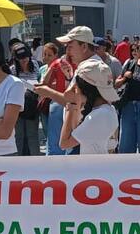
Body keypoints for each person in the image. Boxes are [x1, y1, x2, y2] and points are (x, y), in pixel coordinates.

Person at [34, 26, 101, 155]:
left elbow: (75, 101)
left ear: (84, 47)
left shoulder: (89, 68)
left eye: (70, 46)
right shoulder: (88, 66)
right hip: (81, 132)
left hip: (82, 136)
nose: (67, 51)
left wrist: (47, 92)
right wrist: (70, 77)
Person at [60, 58, 120, 155]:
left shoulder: (99, 115)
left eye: (76, 86)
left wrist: (72, 108)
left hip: (92, 168)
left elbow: (64, 143)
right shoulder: (108, 110)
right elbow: (78, 131)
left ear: (85, 88)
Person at [10, 45, 42, 156]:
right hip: (17, 106)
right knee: (18, 135)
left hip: (32, 105)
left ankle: (35, 161)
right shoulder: (12, 70)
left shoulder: (36, 65)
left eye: (26, 57)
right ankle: (17, 163)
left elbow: (40, 81)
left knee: (32, 134)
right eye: (20, 58)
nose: (24, 60)